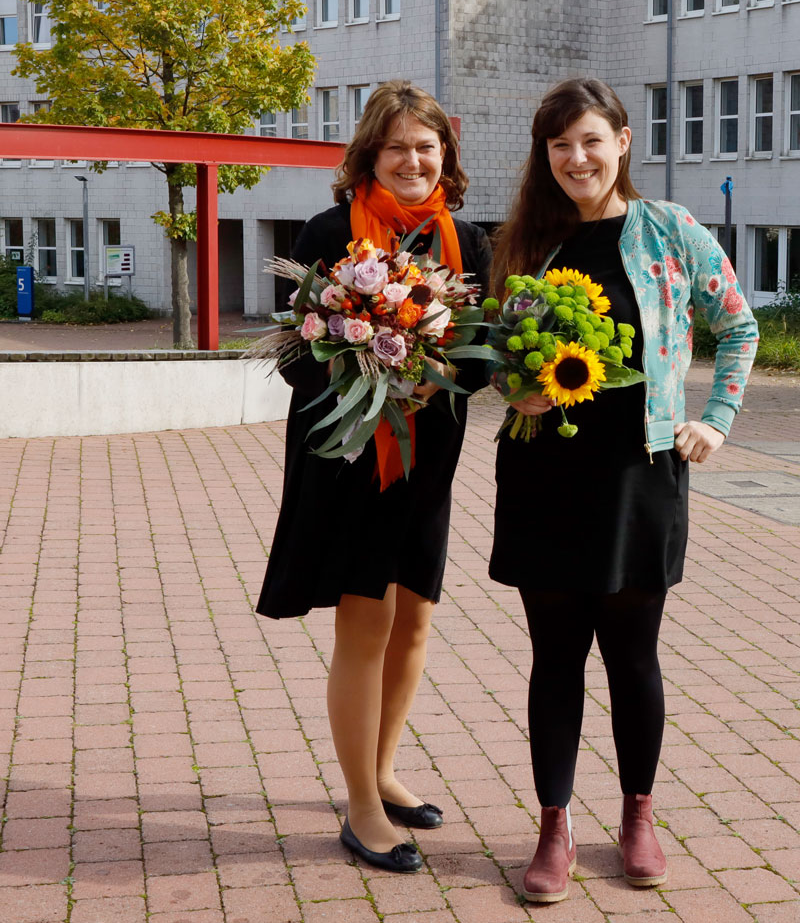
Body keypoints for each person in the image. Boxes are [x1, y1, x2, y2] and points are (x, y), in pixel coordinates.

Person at [489, 77, 758, 903]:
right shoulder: (526, 242)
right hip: (545, 473)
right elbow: (497, 352)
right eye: (560, 144)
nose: (577, 158)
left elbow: (738, 323)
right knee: (555, 659)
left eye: (590, 140)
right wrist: (513, 388)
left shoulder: (669, 230)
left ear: (623, 141)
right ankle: (554, 824)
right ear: (545, 153)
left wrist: (715, 416)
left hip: (642, 475)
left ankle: (638, 814)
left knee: (634, 656)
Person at [256, 80, 492, 873]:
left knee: (415, 619)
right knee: (365, 623)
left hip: (430, 463)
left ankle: (384, 770)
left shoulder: (470, 243)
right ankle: (361, 805)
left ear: (445, 157)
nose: (414, 159)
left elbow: (481, 353)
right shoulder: (329, 233)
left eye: (427, 147)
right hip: (352, 461)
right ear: (371, 155)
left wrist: (440, 379)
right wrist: (372, 380)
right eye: (398, 147)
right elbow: (292, 355)